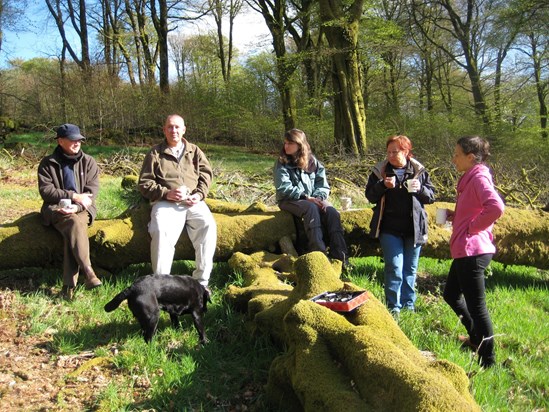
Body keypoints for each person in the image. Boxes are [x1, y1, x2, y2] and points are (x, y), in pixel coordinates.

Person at [443, 136, 504, 368]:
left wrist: (472, 227)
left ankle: (488, 361)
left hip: (473, 251)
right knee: (450, 295)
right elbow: (475, 208)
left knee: (478, 309)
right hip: (464, 250)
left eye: (457, 154)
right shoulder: (470, 178)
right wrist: (455, 215)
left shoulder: (478, 178)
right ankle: (476, 338)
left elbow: (496, 207)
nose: (453, 159)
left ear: (470, 157)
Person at [138, 114, 217, 290]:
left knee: (208, 226)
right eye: (170, 127)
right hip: (165, 201)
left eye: (177, 127)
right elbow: (144, 184)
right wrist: (166, 193)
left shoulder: (194, 150)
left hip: (192, 200)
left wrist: (199, 194)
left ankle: (201, 284)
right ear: (164, 130)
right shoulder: (155, 153)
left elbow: (206, 175)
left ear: (184, 129)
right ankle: (161, 285)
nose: (173, 130)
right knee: (160, 230)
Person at [365, 135, 435, 314]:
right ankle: (393, 308)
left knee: (410, 270)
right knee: (394, 268)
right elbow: (370, 196)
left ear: (406, 151)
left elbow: (431, 197)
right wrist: (383, 185)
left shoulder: (419, 171)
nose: (390, 155)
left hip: (414, 228)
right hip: (389, 228)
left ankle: (408, 307)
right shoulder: (380, 171)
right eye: (388, 152)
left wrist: (420, 188)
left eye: (394, 151)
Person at [38, 123, 102, 300]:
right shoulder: (47, 163)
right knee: (73, 225)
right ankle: (88, 271)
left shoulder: (89, 162)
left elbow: (92, 192)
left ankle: (69, 287)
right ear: (60, 141)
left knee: (73, 225)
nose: (77, 143)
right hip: (56, 208)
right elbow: (46, 191)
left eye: (79, 140)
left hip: (83, 209)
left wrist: (78, 205)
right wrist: (73, 196)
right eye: (72, 140)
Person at [274, 128, 348, 266]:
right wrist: (306, 197)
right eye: (285, 143)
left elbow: (323, 185)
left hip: (312, 199)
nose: (286, 146)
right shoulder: (282, 162)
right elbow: (283, 187)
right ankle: (319, 257)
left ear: (300, 144)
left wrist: (319, 197)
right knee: (311, 209)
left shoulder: (313, 162)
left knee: (331, 211)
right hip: (289, 200)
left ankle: (341, 257)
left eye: (290, 143)